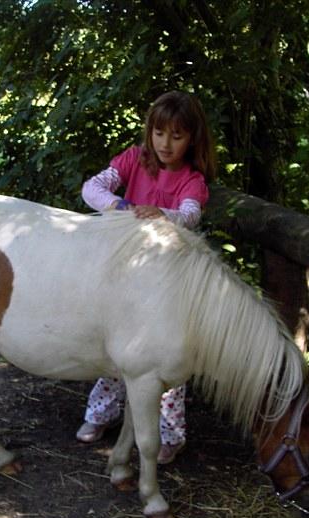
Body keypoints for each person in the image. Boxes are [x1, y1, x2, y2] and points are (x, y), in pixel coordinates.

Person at [76, 90, 216, 465]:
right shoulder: (133, 160)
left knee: (166, 359)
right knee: (117, 353)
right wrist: (124, 207)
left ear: (192, 138)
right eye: (158, 133)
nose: (165, 144)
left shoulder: (191, 181)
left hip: (165, 281)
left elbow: (190, 216)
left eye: (176, 135)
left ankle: (170, 434)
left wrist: (160, 214)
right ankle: (101, 414)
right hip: (126, 274)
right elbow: (91, 189)